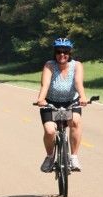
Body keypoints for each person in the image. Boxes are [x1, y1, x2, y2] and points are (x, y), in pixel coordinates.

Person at [35, 37, 88, 172]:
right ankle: (49, 157)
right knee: (50, 130)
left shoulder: (77, 65)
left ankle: (74, 157)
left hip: (70, 102)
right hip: (51, 104)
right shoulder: (49, 65)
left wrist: (82, 97)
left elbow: (78, 83)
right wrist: (41, 99)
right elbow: (45, 84)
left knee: (75, 122)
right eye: (59, 51)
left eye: (65, 51)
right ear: (55, 53)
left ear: (70, 53)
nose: (62, 54)